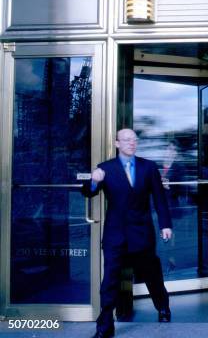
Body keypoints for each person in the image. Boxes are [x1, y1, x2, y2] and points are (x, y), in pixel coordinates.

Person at [82, 128, 173, 338]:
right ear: (117, 144)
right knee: (111, 278)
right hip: (116, 233)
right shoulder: (105, 168)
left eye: (134, 139)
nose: (131, 143)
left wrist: (165, 225)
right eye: (126, 140)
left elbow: (159, 198)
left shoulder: (148, 167)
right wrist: (94, 180)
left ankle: (163, 307)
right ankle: (105, 325)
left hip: (142, 232)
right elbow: (88, 191)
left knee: (152, 274)